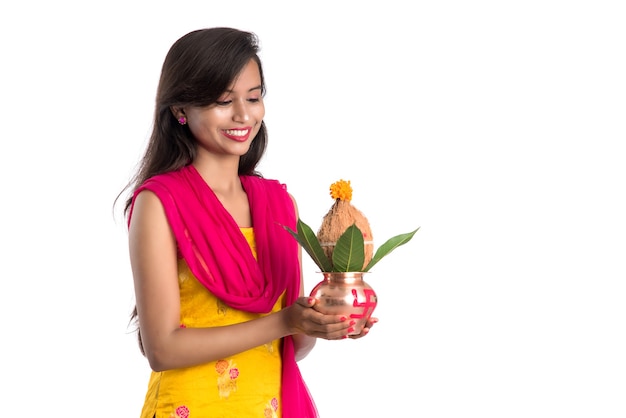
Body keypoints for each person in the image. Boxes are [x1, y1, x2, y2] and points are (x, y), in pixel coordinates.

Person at [117, 27, 376, 418]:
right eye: (223, 101)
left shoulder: (278, 204)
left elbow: (294, 345)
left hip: (266, 406)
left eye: (253, 97)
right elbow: (162, 350)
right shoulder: (159, 202)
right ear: (180, 110)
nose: (243, 114)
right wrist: (285, 321)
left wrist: (328, 318)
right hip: (188, 407)